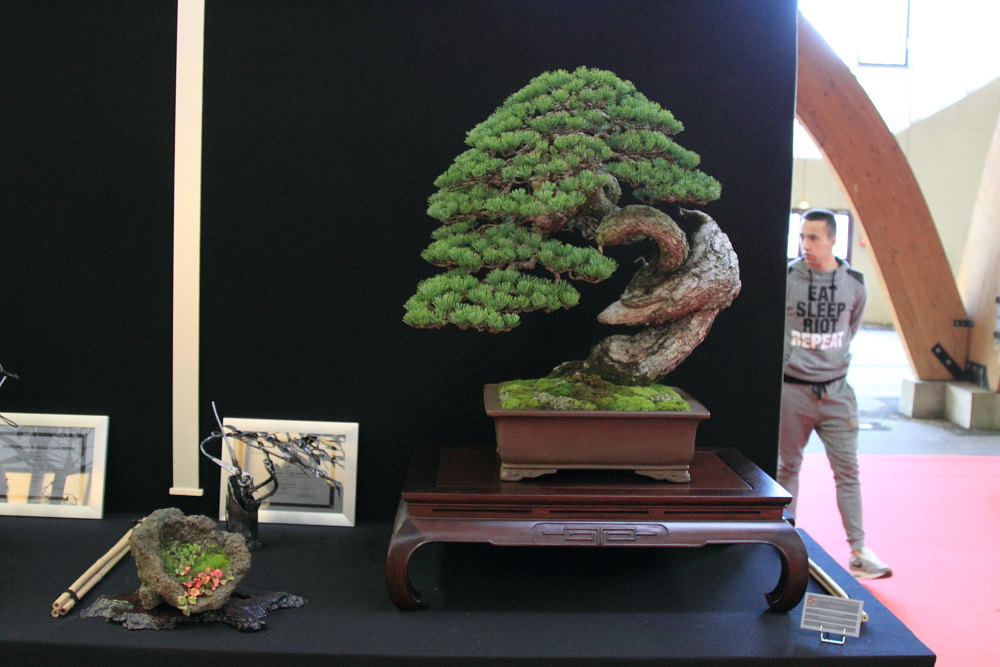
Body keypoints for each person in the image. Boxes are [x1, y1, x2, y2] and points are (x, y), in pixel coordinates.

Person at [778, 209, 892, 580]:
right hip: (793, 390)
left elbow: (851, 328)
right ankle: (783, 544)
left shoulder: (854, 282)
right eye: (802, 237)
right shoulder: (788, 278)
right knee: (787, 469)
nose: (805, 245)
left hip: (837, 391)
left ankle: (859, 551)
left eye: (813, 237)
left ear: (832, 240)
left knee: (848, 472)